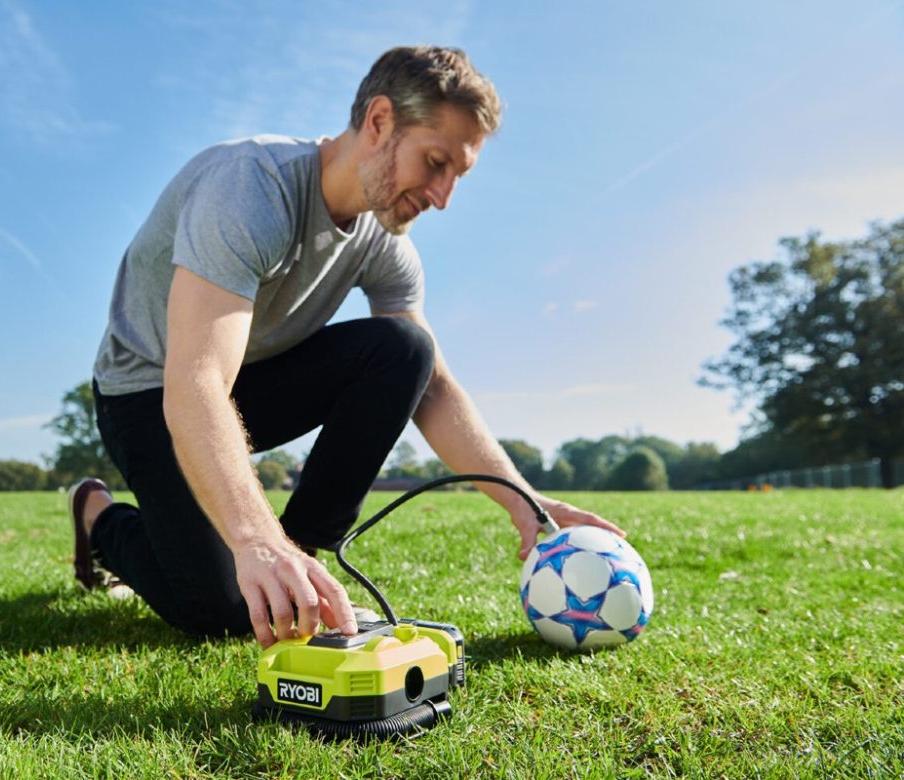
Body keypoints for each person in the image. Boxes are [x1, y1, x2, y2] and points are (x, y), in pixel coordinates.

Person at [69, 45, 624, 649]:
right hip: (149, 391)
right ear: (380, 121)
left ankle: (302, 557)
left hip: (245, 383)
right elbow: (195, 380)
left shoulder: (385, 243)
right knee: (219, 607)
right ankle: (98, 517)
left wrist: (526, 504)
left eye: (457, 176)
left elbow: (431, 386)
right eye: (435, 162)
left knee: (406, 348)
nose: (443, 196)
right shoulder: (249, 192)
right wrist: (255, 540)